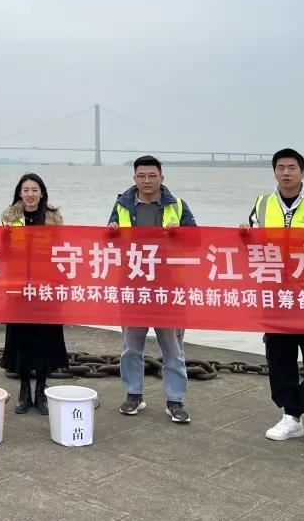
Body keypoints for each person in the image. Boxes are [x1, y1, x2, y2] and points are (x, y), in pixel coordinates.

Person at [243, 148, 304, 450]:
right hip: (275, 296)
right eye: (281, 167)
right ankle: (291, 415)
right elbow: (252, 245)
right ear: (274, 172)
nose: (286, 173)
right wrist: (243, 235)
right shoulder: (262, 204)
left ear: (302, 172)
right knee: (279, 356)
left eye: (292, 167)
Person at [107, 155, 198, 424]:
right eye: (141, 176)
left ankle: (175, 400)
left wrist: (180, 233)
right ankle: (133, 395)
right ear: (134, 179)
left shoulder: (177, 206)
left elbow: (197, 241)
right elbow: (109, 243)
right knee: (130, 347)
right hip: (133, 287)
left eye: (152, 175)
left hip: (168, 288)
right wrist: (111, 232)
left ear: (162, 177)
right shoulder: (122, 206)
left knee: (173, 348)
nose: (147, 180)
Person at [0, 173, 68, 415]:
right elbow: (2, 253)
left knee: (44, 340)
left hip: (45, 288)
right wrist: (5, 236)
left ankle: (41, 390)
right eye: (26, 190)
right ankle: (24, 391)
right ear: (19, 193)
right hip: (19, 288)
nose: (30, 194)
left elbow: (63, 251)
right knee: (22, 340)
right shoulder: (9, 218)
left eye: (34, 190)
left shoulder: (54, 219)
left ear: (42, 193)